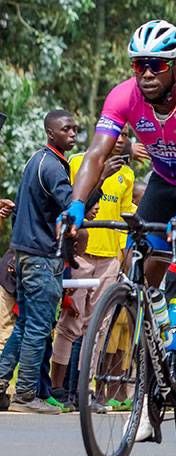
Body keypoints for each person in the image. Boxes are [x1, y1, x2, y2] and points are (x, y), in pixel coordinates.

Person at [64, 21, 176, 377]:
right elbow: (96, 154)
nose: (145, 73)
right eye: (138, 64)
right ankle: (154, 369)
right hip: (165, 179)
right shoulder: (122, 96)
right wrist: (76, 204)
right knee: (143, 266)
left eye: (156, 64)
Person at [0, 110, 101, 414]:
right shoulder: (54, 167)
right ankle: (26, 395)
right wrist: (102, 177)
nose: (72, 134)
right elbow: (74, 207)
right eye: (66, 129)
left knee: (26, 326)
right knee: (39, 328)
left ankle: (2, 381)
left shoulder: (38, 160)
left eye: (75, 129)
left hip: (27, 254)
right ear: (50, 133)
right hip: (41, 257)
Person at [51, 124, 135, 408]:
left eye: (126, 135)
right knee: (69, 324)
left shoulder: (128, 174)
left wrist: (121, 257)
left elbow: (124, 222)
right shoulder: (78, 163)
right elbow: (72, 201)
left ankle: (84, 393)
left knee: (98, 328)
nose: (122, 139)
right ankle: (56, 390)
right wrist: (102, 173)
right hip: (80, 254)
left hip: (109, 259)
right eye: (118, 133)